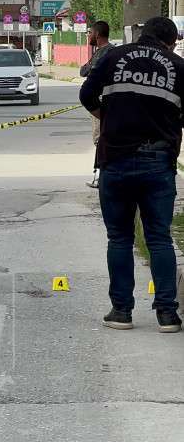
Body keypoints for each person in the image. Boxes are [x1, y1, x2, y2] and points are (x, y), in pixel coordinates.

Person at [79, 16, 184, 333]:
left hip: (116, 159)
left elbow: (86, 94)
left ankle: (121, 312)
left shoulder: (113, 56)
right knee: (159, 238)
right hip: (158, 161)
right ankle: (167, 315)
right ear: (171, 43)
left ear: (142, 35)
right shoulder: (177, 66)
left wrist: (107, 116)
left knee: (120, 237)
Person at [80, 21, 115, 189]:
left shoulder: (104, 53)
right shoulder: (105, 51)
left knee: (100, 139)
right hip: (106, 100)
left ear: (97, 34)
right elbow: (83, 71)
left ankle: (103, 177)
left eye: (90, 33)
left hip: (100, 101)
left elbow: (86, 71)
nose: (88, 36)